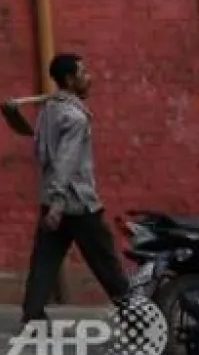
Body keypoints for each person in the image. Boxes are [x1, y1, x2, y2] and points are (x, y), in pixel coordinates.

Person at [18, 52, 130, 326]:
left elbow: (40, 151)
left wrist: (52, 201)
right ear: (69, 79)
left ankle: (33, 313)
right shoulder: (75, 118)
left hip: (51, 198)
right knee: (106, 262)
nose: (88, 78)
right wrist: (58, 203)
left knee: (45, 260)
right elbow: (65, 161)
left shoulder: (48, 111)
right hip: (77, 202)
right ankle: (137, 315)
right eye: (83, 73)